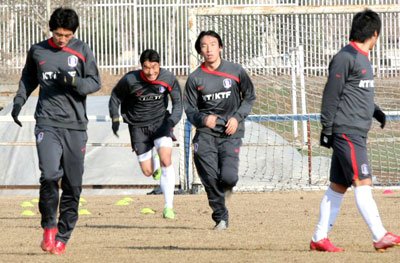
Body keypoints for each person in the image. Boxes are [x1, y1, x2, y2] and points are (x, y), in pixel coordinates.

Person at [11, 7, 101, 255]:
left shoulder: (82, 50)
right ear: (51, 30)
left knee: (73, 185)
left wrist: (74, 82)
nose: (62, 39)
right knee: (50, 175)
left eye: (67, 35)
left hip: (75, 126)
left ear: (73, 33)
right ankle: (49, 226)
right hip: (47, 123)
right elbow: (28, 77)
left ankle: (63, 235)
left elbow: (95, 82)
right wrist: (19, 100)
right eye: (59, 34)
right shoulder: (38, 50)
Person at [311, 9, 400, 252]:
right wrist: (327, 128)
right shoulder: (346, 56)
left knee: (338, 187)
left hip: (356, 130)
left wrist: (375, 110)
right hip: (347, 131)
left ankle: (319, 237)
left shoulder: (362, 57)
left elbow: (357, 93)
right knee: (363, 181)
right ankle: (379, 235)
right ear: (375, 34)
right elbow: (331, 94)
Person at [184, 31, 256, 230]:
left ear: (220, 47)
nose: (209, 49)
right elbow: (189, 109)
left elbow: (249, 97)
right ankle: (220, 217)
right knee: (208, 177)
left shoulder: (235, 71)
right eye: (204, 46)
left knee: (229, 177)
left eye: (213, 44)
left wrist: (236, 117)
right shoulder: (195, 78)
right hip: (205, 134)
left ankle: (224, 189)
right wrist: (203, 118)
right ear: (200, 50)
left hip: (230, 132)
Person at [109, 49, 182, 219]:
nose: (151, 72)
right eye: (147, 68)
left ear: (159, 65)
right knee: (148, 172)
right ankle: (154, 164)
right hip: (137, 127)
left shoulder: (168, 78)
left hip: (161, 123)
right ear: (141, 66)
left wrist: (172, 121)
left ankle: (168, 207)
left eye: (154, 67)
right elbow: (115, 97)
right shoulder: (130, 80)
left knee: (166, 159)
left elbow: (178, 103)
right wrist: (114, 117)